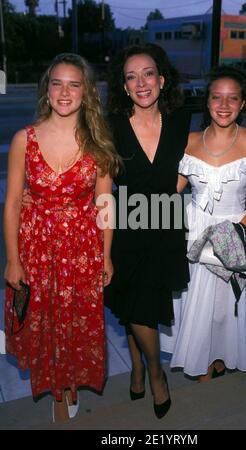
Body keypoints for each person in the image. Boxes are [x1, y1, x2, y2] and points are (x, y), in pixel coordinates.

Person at [4, 53, 121, 422]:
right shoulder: (25, 138)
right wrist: (12, 259)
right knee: (45, 320)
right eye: (57, 83)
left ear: (86, 92)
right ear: (47, 89)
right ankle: (56, 387)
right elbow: (10, 204)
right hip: (36, 247)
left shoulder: (97, 143)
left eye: (74, 84)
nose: (65, 91)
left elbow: (105, 204)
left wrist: (106, 255)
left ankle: (69, 382)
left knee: (75, 320)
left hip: (82, 248)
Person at [160, 65, 246, 381]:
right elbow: (175, 189)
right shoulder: (190, 140)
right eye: (216, 97)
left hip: (235, 228)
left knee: (226, 302)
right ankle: (198, 357)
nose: (223, 105)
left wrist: (239, 229)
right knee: (195, 298)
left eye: (232, 98)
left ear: (242, 104)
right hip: (195, 228)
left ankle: (220, 355)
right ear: (207, 101)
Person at [105, 43, 191, 418]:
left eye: (148, 73)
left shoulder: (181, 119)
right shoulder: (111, 126)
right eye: (131, 76)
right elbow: (100, 184)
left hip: (167, 223)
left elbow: (199, 156)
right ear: (124, 87)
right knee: (135, 303)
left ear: (162, 78)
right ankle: (156, 373)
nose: (141, 83)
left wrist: (182, 182)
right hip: (127, 228)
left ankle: (140, 367)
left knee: (142, 305)